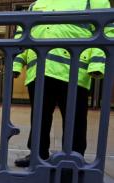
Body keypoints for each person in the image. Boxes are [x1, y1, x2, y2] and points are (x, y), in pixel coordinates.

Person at [12, 0, 111, 167]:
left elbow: (107, 31)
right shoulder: (37, 3)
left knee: (74, 118)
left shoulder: (94, 1)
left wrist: (97, 64)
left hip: (73, 71)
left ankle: (74, 157)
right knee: (39, 117)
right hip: (39, 70)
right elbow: (22, 35)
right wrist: (16, 63)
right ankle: (37, 154)